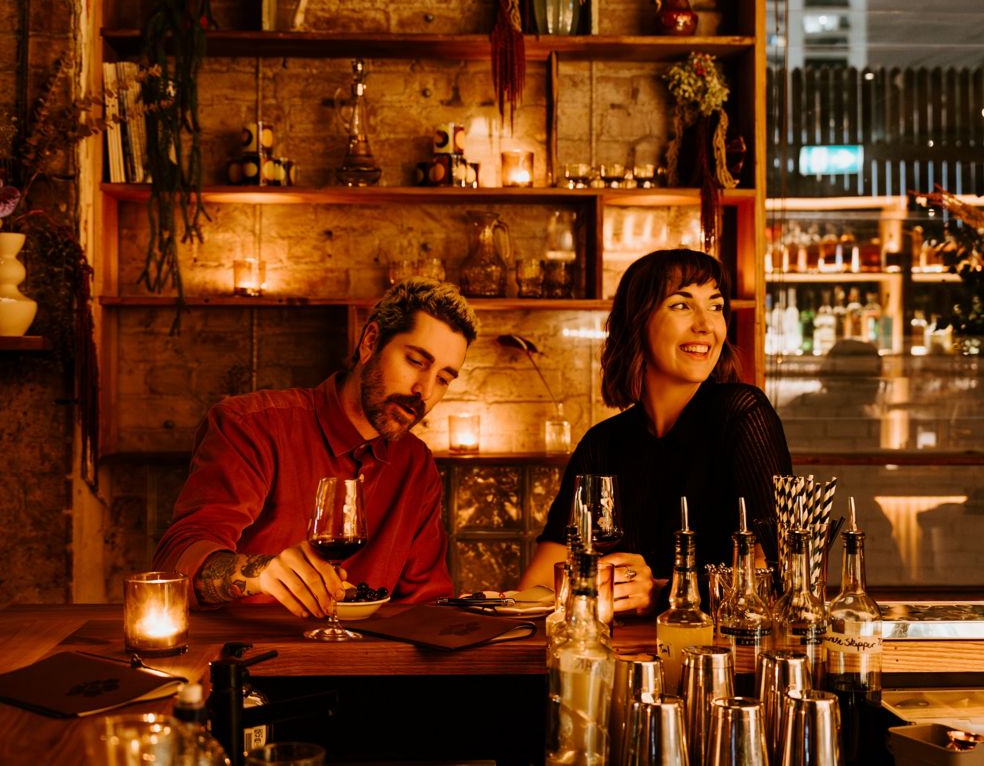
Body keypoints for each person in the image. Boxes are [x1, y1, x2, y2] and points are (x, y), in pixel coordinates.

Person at [153, 278, 478, 619]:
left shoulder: (415, 464)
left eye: (443, 379)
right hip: (250, 661)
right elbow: (178, 561)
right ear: (370, 342)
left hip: (369, 665)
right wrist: (262, 573)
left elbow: (426, 604)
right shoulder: (252, 425)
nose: (424, 391)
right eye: (416, 361)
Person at [519, 249, 793, 614]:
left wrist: (659, 594)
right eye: (681, 306)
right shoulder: (602, 444)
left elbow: (781, 581)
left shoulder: (742, 414)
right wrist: (584, 585)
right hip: (620, 658)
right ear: (638, 321)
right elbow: (538, 585)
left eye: (715, 306)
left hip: (719, 661)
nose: (706, 325)